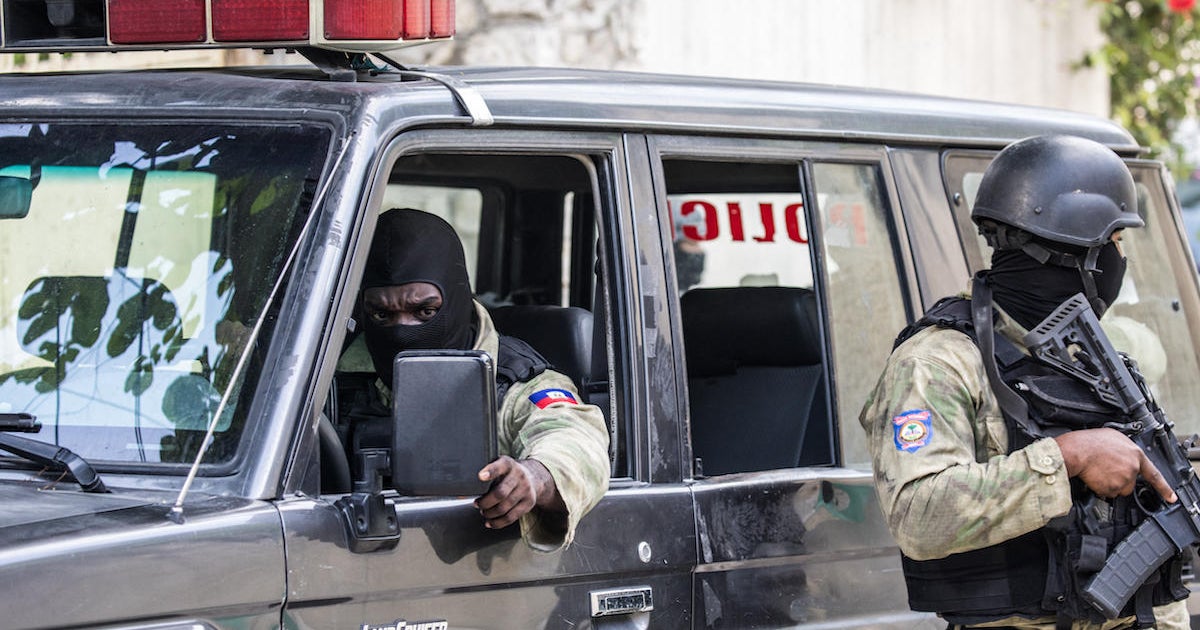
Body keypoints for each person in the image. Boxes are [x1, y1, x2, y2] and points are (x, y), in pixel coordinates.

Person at [859, 135, 1190, 629]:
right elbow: (918, 514)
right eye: (1115, 244)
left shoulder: (1096, 356)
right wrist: (1069, 458)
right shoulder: (938, 362)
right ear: (1074, 253)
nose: (1121, 262)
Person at [353, 207, 610, 551]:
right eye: (382, 314)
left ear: (458, 299)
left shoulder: (514, 384)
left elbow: (575, 438)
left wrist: (534, 477)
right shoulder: (326, 372)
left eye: (425, 312)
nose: (404, 331)